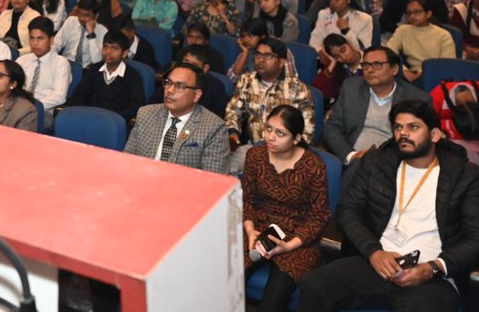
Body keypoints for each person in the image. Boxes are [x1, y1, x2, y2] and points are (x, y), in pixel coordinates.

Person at [297, 100, 479, 312]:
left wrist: (434, 268)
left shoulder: (466, 176)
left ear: (435, 135)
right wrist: (373, 252)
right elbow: (348, 210)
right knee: (314, 285)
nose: (403, 133)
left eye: (413, 127)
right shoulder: (376, 162)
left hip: (433, 277)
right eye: (398, 127)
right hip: (379, 262)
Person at [242, 105, 330, 312]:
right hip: (258, 226)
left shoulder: (313, 166)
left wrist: (289, 246)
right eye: (268, 129)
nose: (270, 137)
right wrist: (249, 229)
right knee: (225, 278)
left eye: (280, 133)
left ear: (296, 138)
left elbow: (319, 217)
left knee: (275, 296)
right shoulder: (255, 156)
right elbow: (247, 199)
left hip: (297, 236)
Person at [322, 46, 431, 178]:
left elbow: (421, 141)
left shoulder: (417, 98)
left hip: (394, 163)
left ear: (394, 69)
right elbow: (332, 126)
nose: (369, 70)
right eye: (366, 65)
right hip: (353, 159)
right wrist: (350, 155)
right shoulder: (351, 87)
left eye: (377, 65)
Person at [123, 62, 231, 174]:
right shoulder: (146, 114)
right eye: (168, 83)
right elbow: (128, 159)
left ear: (196, 95)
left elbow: (213, 179)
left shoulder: (214, 128)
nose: (170, 90)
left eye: (180, 86)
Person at [225, 39, 315, 172]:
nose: (261, 60)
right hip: (253, 148)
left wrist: (290, 152)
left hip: (286, 152)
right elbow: (233, 110)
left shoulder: (297, 88)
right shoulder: (246, 81)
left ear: (282, 62)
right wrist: (233, 132)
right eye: (258, 54)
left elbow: (307, 130)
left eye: (268, 56)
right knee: (225, 170)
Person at [64, 31, 145, 125]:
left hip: (116, 123)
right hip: (93, 118)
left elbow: (136, 105)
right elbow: (79, 94)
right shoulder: (95, 69)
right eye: (105, 47)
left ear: (124, 53)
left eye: (114, 48)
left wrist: (113, 120)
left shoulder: (133, 76)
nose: (108, 52)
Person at [16, 16, 71, 127]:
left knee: (21, 123)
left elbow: (59, 96)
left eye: (40, 39)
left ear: (51, 40)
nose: (35, 43)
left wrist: (32, 106)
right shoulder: (22, 60)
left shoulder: (60, 63)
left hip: (44, 111)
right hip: (18, 107)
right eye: (32, 38)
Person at [388, 0, 455, 83]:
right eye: (409, 13)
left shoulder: (443, 35)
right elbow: (389, 52)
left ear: (428, 14)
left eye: (417, 12)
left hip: (436, 74)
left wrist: (422, 73)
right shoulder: (403, 30)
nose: (412, 16)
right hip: (410, 74)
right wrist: (404, 70)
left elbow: (448, 64)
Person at [309, 0, 373, 53]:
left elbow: (363, 49)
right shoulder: (323, 14)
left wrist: (346, 31)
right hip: (326, 57)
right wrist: (321, 53)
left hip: (352, 60)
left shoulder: (364, 19)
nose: (333, 2)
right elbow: (315, 39)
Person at [54, 0, 108, 67]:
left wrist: (91, 34)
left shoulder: (102, 31)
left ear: (96, 15)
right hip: (66, 65)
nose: (81, 18)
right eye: (79, 13)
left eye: (86, 15)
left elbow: (96, 60)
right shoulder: (71, 21)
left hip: (87, 69)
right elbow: (56, 44)